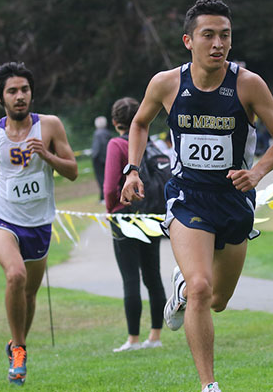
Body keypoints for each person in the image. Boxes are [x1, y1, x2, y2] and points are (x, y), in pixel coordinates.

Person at [121, 0, 273, 392]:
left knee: (217, 300)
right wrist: (132, 169)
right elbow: (139, 123)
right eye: (209, 35)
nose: (218, 43)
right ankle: (209, 385)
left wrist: (258, 171)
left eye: (225, 36)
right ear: (189, 40)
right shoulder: (166, 83)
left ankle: (182, 290)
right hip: (188, 197)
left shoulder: (248, 84)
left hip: (234, 201)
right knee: (201, 287)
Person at [0, 61, 78, 386]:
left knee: (29, 295)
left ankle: (15, 344)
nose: (20, 96)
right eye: (12, 91)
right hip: (2, 218)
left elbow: (72, 171)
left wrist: (48, 157)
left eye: (24, 89)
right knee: (15, 276)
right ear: (2, 98)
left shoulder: (50, 126)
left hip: (39, 223)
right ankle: (20, 350)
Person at [104, 97, 166, 353]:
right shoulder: (149, 144)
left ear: (115, 122)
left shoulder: (117, 145)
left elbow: (109, 188)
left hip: (124, 217)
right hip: (151, 215)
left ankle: (133, 339)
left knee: (130, 278)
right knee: (153, 275)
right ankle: (156, 335)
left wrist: (112, 211)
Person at [91, 115, 112, 202]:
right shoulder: (108, 133)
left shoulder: (97, 134)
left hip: (100, 160)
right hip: (107, 158)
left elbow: (97, 148)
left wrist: (95, 158)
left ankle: (104, 197)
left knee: (101, 179)